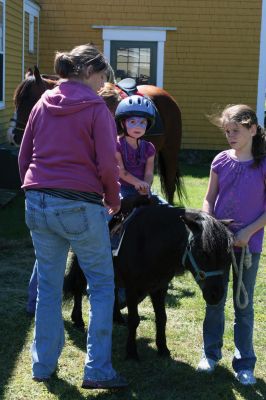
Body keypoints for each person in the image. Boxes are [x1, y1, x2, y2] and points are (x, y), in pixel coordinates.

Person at [18, 43, 128, 389]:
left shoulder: (41, 103)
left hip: (38, 201)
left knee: (49, 286)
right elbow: (108, 163)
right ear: (90, 72)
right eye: (102, 76)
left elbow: (25, 154)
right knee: (101, 285)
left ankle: (43, 365)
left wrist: (31, 189)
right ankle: (98, 370)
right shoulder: (97, 108)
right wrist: (113, 199)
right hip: (80, 204)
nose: (103, 84)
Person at [197, 104, 266, 385]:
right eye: (227, 131)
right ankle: (210, 354)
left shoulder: (262, 164)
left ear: (252, 129)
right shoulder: (220, 161)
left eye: (235, 131)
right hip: (219, 246)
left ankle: (245, 362)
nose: (230, 136)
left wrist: (249, 232)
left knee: (244, 305)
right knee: (215, 300)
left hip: (249, 246)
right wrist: (209, 224)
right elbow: (208, 197)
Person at [114, 95, 156, 198]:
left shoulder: (149, 148)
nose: (138, 126)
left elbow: (149, 173)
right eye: (132, 122)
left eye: (142, 122)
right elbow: (121, 171)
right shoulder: (117, 145)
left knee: (164, 207)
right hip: (122, 187)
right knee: (115, 208)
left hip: (142, 187)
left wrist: (145, 186)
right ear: (122, 123)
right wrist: (137, 183)